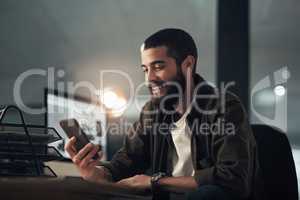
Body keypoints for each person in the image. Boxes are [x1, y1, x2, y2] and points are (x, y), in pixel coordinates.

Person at [65, 28, 259, 200]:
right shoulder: (152, 112)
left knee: (206, 195)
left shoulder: (224, 106)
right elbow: (124, 164)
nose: (149, 78)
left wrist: (156, 182)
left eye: (158, 67)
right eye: (145, 69)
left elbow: (232, 178)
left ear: (188, 65)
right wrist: (95, 172)